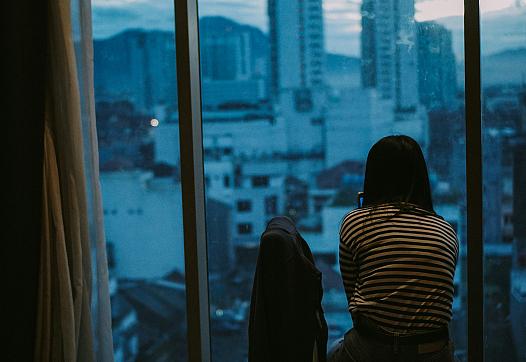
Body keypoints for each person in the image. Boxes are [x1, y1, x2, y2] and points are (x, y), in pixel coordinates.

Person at [328, 135, 459, 362]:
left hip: (372, 348)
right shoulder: (445, 229)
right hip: (433, 350)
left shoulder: (356, 222)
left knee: (332, 351)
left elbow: (355, 303)